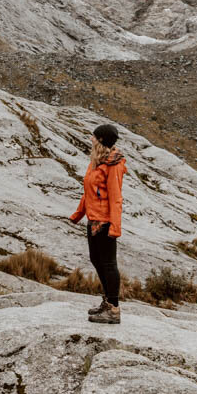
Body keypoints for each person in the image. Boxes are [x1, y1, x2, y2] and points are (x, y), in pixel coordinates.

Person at [70, 123, 125, 324]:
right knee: (96, 259)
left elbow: (116, 197)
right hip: (92, 219)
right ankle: (108, 302)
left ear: (101, 140)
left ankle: (113, 309)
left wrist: (114, 226)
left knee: (109, 264)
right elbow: (89, 191)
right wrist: (78, 214)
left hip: (104, 221)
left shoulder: (113, 164)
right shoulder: (96, 160)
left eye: (94, 136)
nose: (91, 139)